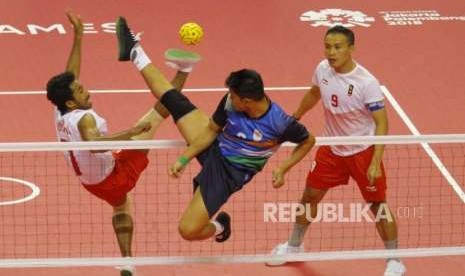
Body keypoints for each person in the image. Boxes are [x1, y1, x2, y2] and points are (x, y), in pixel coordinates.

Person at [115, 16, 316, 243]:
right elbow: (211, 130)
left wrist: (284, 169)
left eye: (234, 95)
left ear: (248, 100)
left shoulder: (280, 123)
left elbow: (308, 140)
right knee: (171, 99)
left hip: (227, 174)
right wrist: (184, 159)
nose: (229, 98)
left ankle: (220, 226)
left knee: (188, 230)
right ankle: (134, 52)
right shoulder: (231, 103)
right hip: (216, 146)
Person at [46, 10, 199, 276]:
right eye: (81, 91)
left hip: (89, 181)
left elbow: (70, 74)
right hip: (112, 175)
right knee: (152, 119)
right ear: (72, 102)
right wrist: (132, 131)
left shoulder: (61, 110)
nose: (88, 91)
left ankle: (128, 260)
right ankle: (184, 71)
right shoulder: (85, 120)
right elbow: (94, 144)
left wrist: (79, 36)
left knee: (121, 205)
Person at [268, 26, 406, 276]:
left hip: (362, 151)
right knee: (309, 196)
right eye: (328, 46)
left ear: (351, 49)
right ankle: (294, 247)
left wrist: (376, 161)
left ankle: (395, 260)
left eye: (338, 47)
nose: (331, 52)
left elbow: (382, 123)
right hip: (331, 149)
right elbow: (314, 93)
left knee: (377, 206)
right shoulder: (322, 69)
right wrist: (295, 117)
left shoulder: (367, 83)